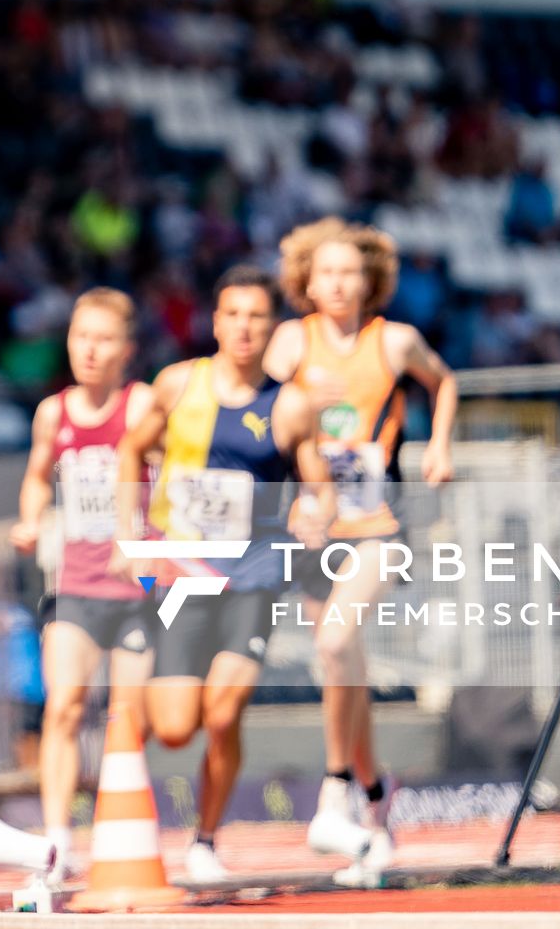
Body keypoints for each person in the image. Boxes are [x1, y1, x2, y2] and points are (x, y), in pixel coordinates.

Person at [118, 264, 335, 886]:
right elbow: (134, 449)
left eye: (256, 316)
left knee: (223, 712)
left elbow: (321, 490)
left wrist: (312, 511)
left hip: (256, 573)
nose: (244, 327)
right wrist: (129, 528)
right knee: (177, 724)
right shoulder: (178, 385)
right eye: (233, 314)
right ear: (216, 322)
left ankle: (205, 840)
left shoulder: (289, 406)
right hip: (185, 572)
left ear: (272, 327)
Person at [263, 218, 457, 883]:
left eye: (351, 272)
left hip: (378, 523)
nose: (339, 284)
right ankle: (377, 810)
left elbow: (445, 382)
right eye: (327, 273)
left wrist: (437, 445)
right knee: (345, 667)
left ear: (371, 280)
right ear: (306, 282)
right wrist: (292, 408)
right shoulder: (291, 341)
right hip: (316, 525)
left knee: (336, 643)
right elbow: (259, 412)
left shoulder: (395, 341)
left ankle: (334, 789)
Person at [10, 287, 154, 876]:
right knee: (64, 706)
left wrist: (148, 537)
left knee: (131, 715)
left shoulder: (142, 406)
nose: (89, 350)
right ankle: (57, 838)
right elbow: (38, 478)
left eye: (103, 339)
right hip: (76, 584)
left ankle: (124, 830)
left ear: (126, 349)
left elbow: (174, 475)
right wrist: (29, 517)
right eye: (80, 337)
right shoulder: (54, 412)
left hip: (136, 591)